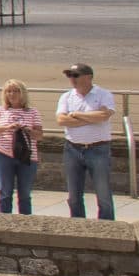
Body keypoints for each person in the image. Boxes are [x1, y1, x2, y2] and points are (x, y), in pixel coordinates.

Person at [56, 63, 118, 219]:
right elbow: (61, 120)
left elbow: (104, 116)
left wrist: (76, 114)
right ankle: (78, 226)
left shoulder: (103, 94)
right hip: (72, 149)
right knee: (73, 196)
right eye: (70, 75)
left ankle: (107, 228)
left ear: (88, 77)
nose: (72, 79)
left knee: (103, 194)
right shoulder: (66, 96)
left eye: (75, 75)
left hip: (98, 149)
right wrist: (91, 118)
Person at [0, 80, 43, 215]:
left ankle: (25, 222)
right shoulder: (0, 110)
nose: (12, 94)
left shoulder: (33, 112)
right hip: (4, 154)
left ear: (22, 93)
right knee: (5, 191)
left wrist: (27, 130)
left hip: (27, 155)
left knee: (25, 193)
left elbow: (39, 136)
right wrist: (7, 128)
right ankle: (4, 220)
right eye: (9, 91)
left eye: (15, 91)